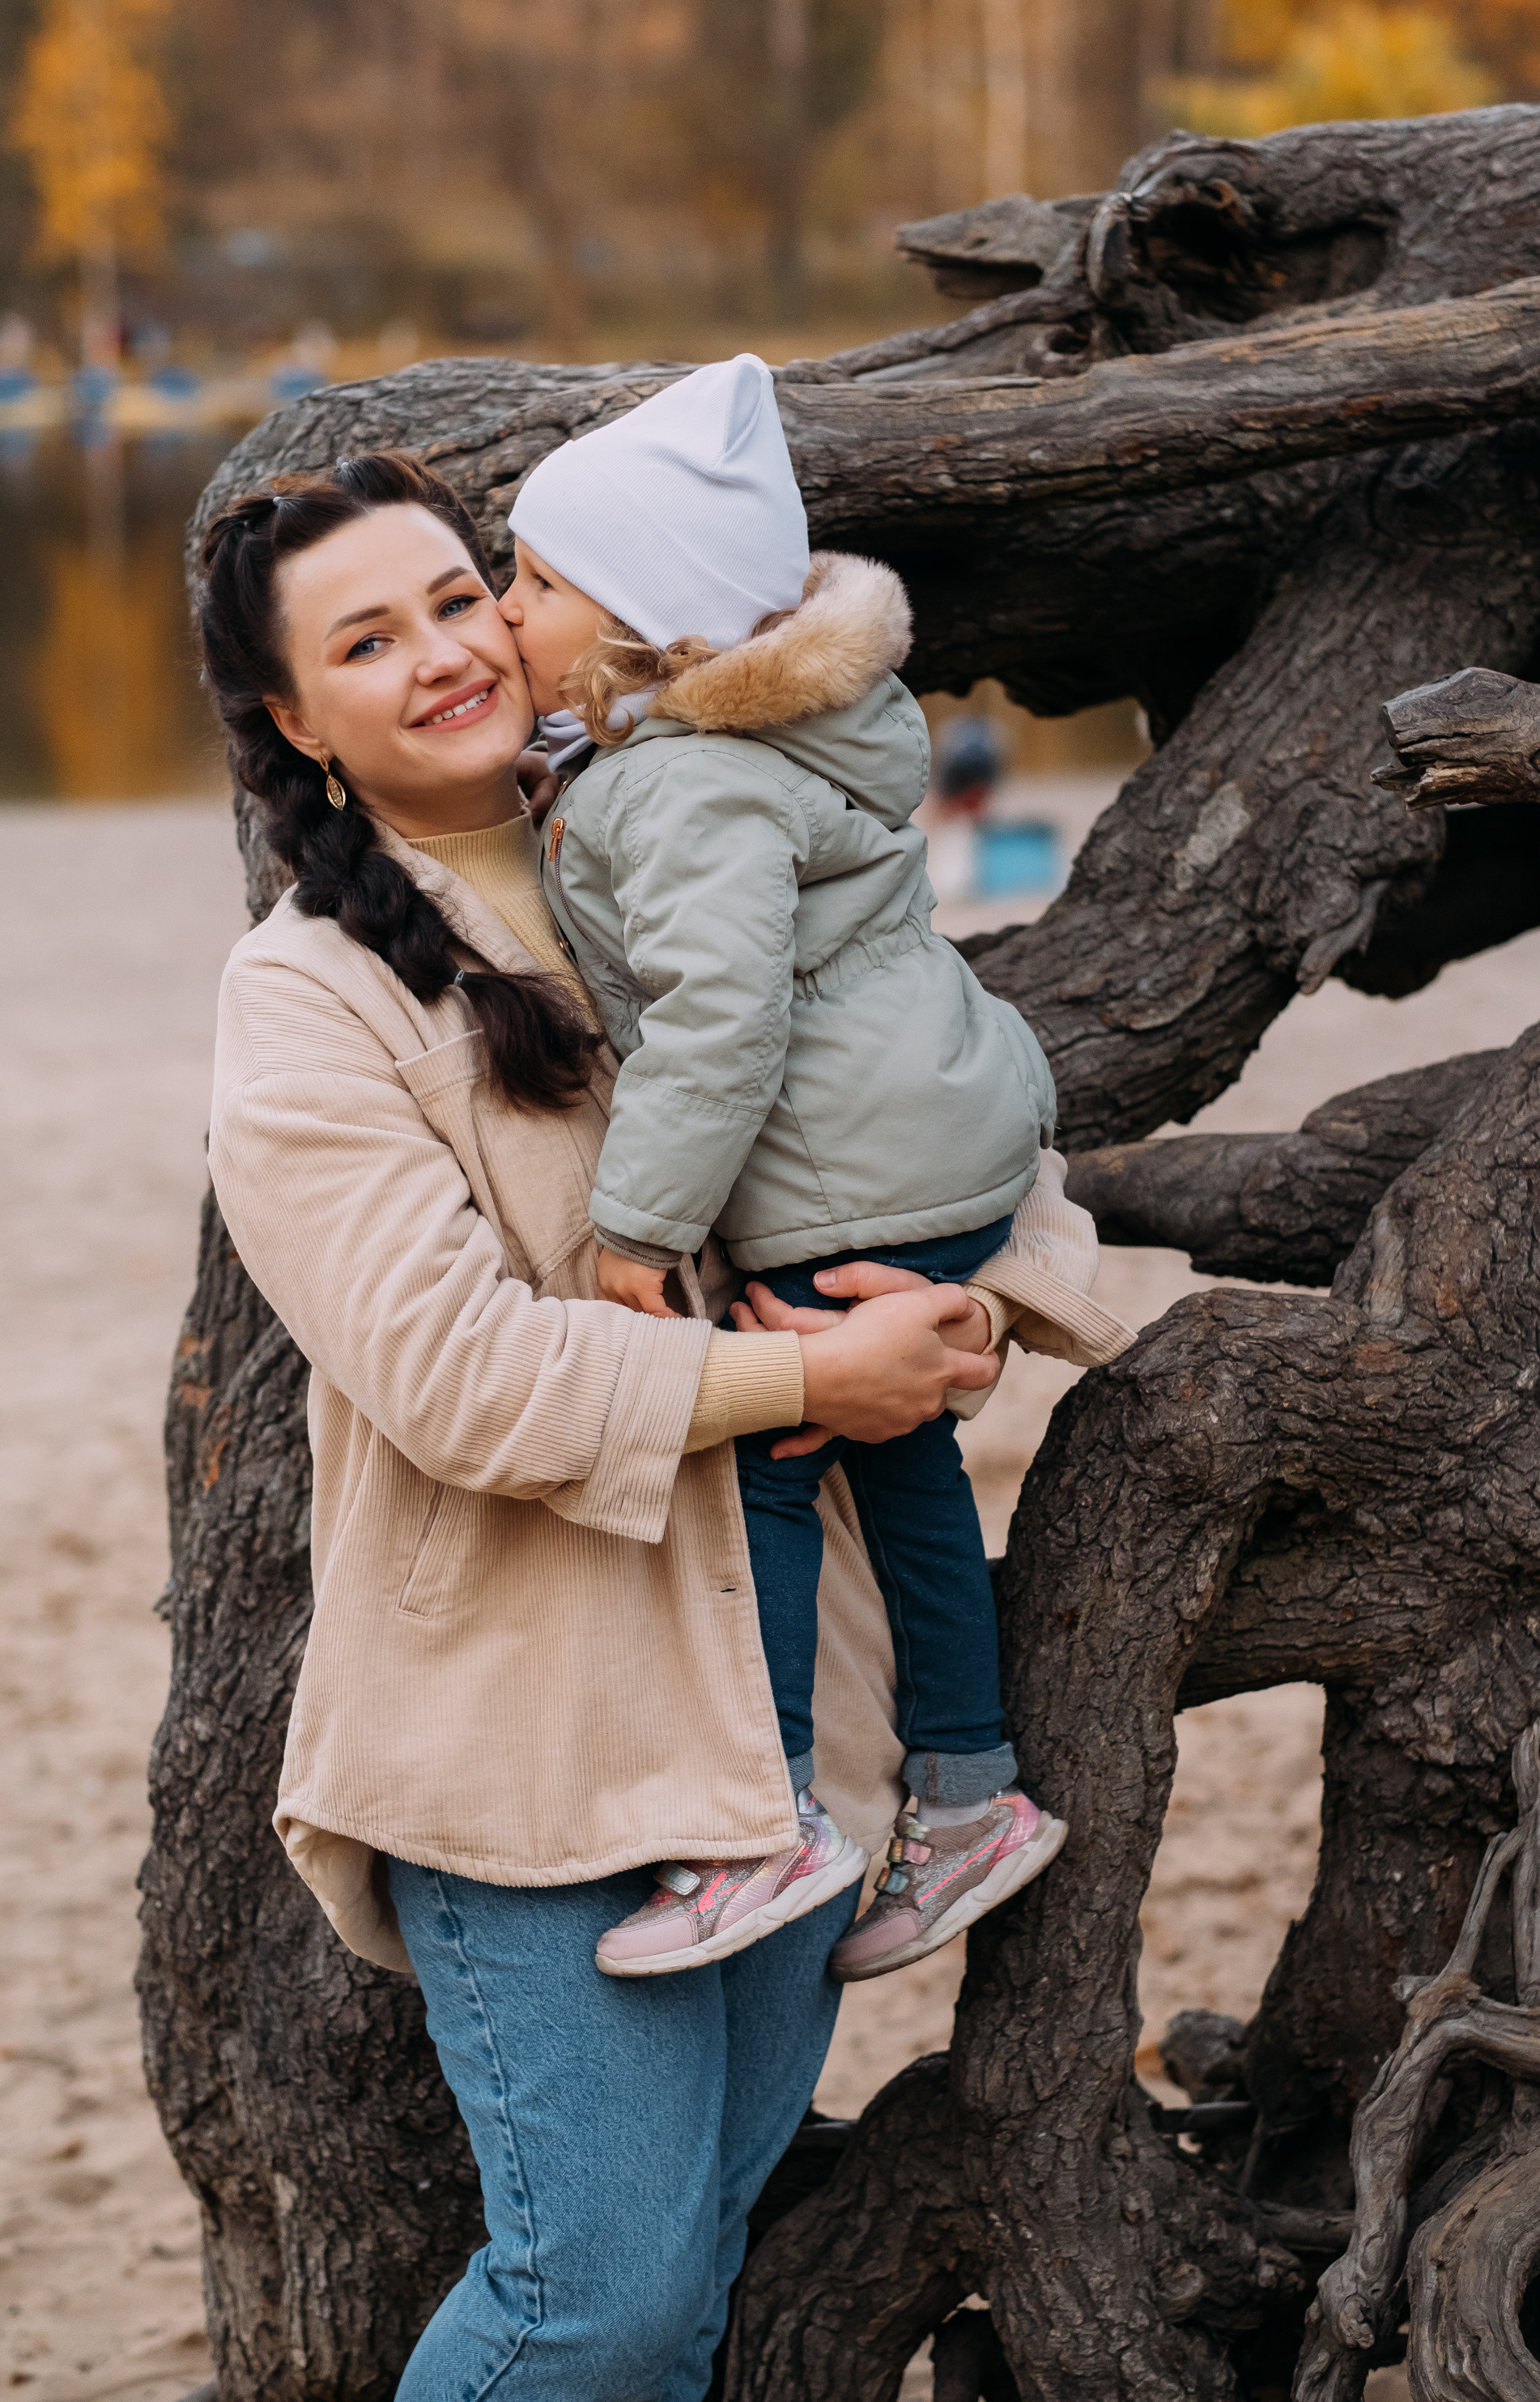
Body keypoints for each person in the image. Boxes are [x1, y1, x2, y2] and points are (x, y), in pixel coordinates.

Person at [198, 445, 1121, 2398]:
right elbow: (456, 1375)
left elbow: (926, 1095)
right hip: (537, 1739)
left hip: (789, 1720)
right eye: (369, 642)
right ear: (297, 723)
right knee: (589, 2301)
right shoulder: (310, 1000)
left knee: (699, 2264)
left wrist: (966, 1305)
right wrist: (810, 1379)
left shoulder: (690, 810)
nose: (447, 656)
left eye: (462, 597)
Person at [499, 355, 1131, 1984]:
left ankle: (761, 1824)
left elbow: (719, 1024)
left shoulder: (687, 783)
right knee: (903, 1455)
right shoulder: (760, 739)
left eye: (533, 584)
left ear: (650, 632)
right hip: (940, 1134)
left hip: (858, 1170)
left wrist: (640, 1222)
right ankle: (971, 1789)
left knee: (771, 1458)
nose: (504, 616)